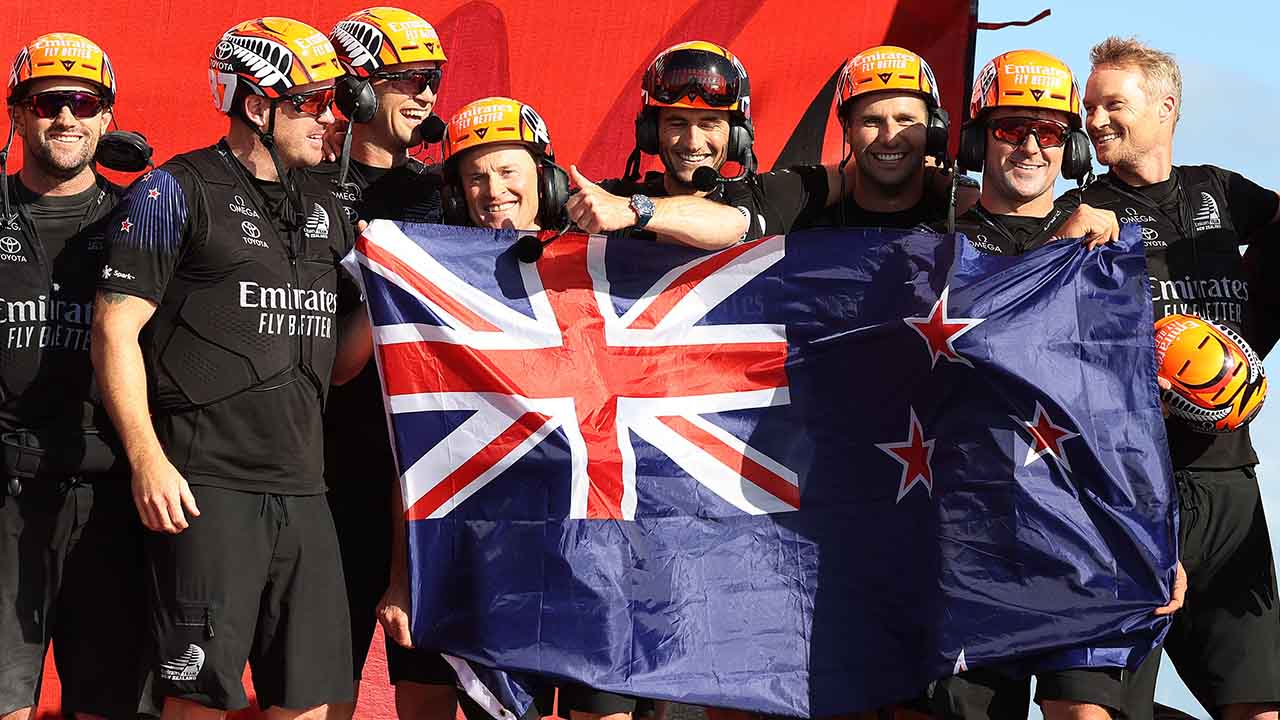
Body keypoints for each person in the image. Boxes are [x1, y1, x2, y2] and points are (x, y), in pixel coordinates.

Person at [90, 17, 365, 720]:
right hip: (206, 490)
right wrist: (148, 460)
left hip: (306, 489)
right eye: (310, 103)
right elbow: (114, 329)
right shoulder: (171, 191)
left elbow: (339, 368)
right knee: (199, 701)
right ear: (255, 104)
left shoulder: (329, 206)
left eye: (331, 102)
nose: (328, 119)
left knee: (315, 702)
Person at [929, 49, 1159, 720]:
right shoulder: (932, 243)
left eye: (1052, 132)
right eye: (1010, 129)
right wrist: (1061, 241)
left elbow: (1128, 412)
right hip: (965, 540)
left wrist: (1156, 538)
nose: (1031, 146)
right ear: (977, 139)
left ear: (1073, 146)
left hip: (1081, 531)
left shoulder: (1112, 248)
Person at [1068, 36, 1280, 720]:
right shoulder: (1086, 210)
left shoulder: (1217, 188)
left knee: (1259, 705)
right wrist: (1065, 234)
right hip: (1137, 486)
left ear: (1166, 107)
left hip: (1231, 481)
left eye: (1112, 104)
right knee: (1092, 708)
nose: (1094, 119)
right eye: (1090, 105)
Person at [375, 95, 567, 720]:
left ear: (546, 177)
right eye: (475, 176)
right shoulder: (421, 272)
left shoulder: (594, 268)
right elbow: (413, 452)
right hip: (447, 550)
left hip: (566, 556)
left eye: (508, 170)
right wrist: (405, 575)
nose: (493, 190)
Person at [318, 9, 458, 720]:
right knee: (321, 684)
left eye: (432, 81)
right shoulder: (301, 183)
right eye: (408, 79)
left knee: (429, 679)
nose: (428, 95)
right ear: (357, 88)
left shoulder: (441, 192)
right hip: (328, 470)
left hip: (429, 466)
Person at [0, 31, 144, 720]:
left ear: (107, 117)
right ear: (18, 113)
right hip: (7, 498)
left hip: (112, 503)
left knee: (111, 707)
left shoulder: (141, 221)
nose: (67, 117)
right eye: (48, 101)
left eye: (84, 103)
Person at [565, 40, 762, 249]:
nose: (692, 143)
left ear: (737, 135)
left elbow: (730, 224)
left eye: (708, 124)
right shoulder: (607, 200)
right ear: (650, 131)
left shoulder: (764, 198)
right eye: (677, 123)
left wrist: (631, 210)